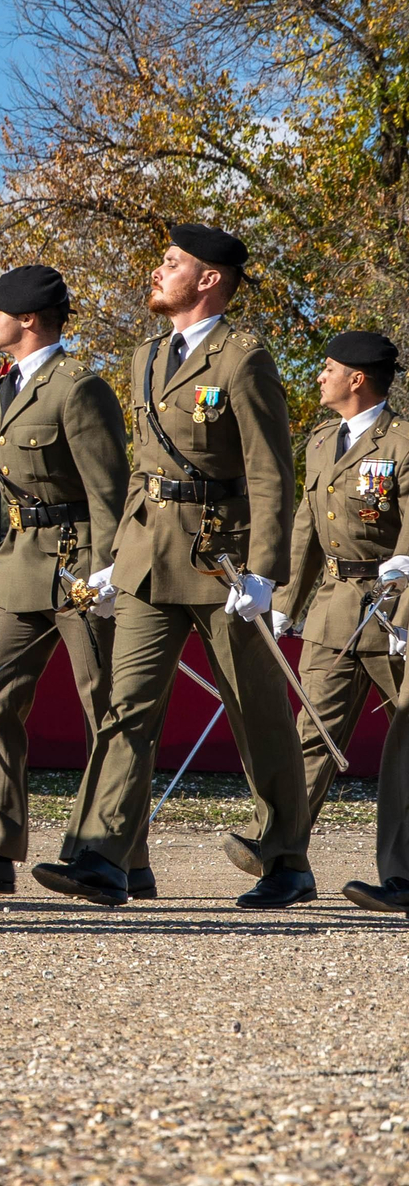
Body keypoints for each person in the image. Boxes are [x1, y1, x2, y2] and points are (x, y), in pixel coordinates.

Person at [32, 223, 313, 909]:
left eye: (171, 261)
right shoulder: (147, 357)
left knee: (256, 712)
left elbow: (271, 472)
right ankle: (104, 855)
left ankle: (286, 856)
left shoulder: (243, 358)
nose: (157, 271)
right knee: (126, 707)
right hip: (149, 560)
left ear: (209, 278)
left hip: (223, 564)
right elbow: (144, 471)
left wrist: (265, 573)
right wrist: (113, 560)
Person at [0, 265, 134, 898]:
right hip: (18, 564)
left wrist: (111, 567)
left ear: (29, 320)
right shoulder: (6, 388)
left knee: (108, 711)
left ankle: (111, 855)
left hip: (80, 564)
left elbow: (109, 490)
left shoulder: (79, 389)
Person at [264, 332, 409, 913]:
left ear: (358, 379)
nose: (318, 377)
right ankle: (282, 863)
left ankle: (400, 875)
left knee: (406, 737)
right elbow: (305, 529)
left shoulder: (402, 440)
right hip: (333, 607)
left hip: (394, 605)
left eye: (328, 369)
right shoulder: (323, 441)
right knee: (310, 737)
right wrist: (282, 603)